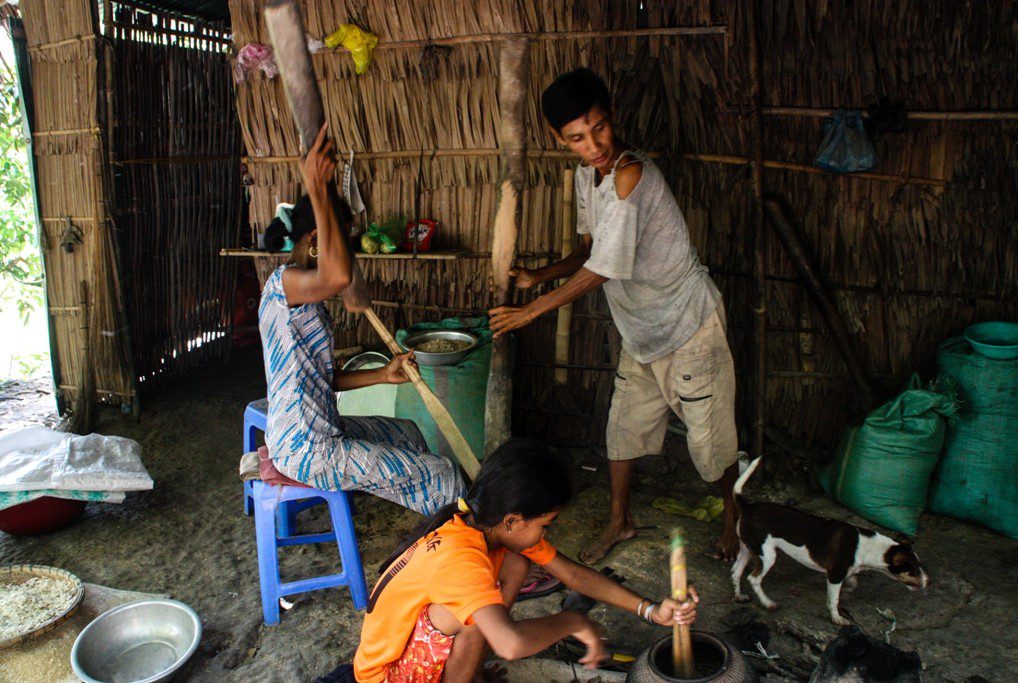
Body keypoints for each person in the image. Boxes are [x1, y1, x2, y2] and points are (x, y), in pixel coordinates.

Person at [488, 68, 742, 564]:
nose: (593, 145)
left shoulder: (631, 174)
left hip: (689, 325)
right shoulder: (590, 176)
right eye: (578, 138)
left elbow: (603, 270)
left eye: (599, 127)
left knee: (712, 443)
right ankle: (620, 521)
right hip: (643, 331)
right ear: (558, 138)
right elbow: (590, 251)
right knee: (622, 431)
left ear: (612, 116)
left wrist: (531, 311)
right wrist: (539, 277)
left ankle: (736, 519)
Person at [352, 438, 699, 682]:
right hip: (387, 676)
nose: (546, 535)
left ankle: (468, 673)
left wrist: (651, 610)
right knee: (475, 614)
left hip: (409, 651)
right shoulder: (461, 557)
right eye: (545, 525)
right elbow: (510, 645)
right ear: (513, 520)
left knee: (513, 567)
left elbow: (573, 575)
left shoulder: (488, 525)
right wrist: (572, 622)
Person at [258, 123, 464, 515]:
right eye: (343, 243)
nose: (349, 256)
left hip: (321, 432)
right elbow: (338, 276)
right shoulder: (284, 286)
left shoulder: (304, 295)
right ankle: (458, 548)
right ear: (315, 240)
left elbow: (323, 378)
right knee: (444, 475)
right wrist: (317, 188)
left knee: (406, 433)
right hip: (308, 450)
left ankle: (434, 526)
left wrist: (383, 374)